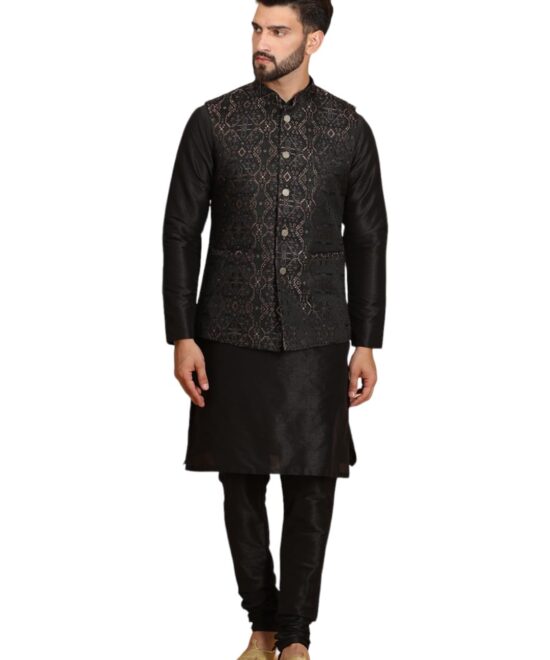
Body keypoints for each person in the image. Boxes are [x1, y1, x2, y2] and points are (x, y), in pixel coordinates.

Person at [161, 1, 388, 658]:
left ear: (313, 41)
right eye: (257, 28)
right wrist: (182, 334)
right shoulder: (213, 121)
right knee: (240, 482)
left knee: (313, 485)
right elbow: (181, 231)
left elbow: (368, 238)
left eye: (278, 31)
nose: (261, 41)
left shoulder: (347, 128)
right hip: (228, 330)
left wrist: (367, 341)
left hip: (319, 331)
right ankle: (261, 628)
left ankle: (296, 639)